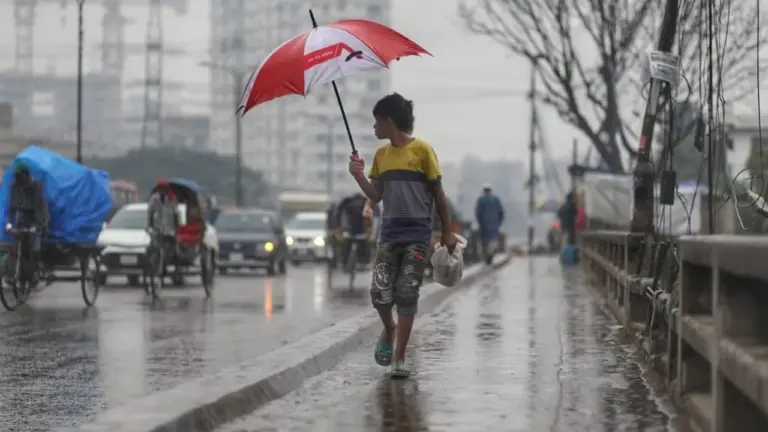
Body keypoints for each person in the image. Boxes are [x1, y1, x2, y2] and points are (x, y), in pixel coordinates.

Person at [348, 92, 456, 378]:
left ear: (389, 121)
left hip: (418, 236)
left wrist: (447, 231)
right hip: (390, 235)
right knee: (379, 292)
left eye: (377, 122)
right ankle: (389, 328)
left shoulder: (423, 151)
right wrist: (358, 176)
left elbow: (438, 194)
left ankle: (399, 357)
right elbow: (376, 196)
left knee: (406, 293)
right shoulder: (381, 156)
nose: (374, 127)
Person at [5, 161, 49, 283]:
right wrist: (9, 224)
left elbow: (41, 209)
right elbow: (11, 208)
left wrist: (38, 225)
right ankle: (12, 272)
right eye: (16, 176)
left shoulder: (36, 187)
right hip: (21, 219)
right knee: (14, 246)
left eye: (19, 176)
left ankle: (35, 269)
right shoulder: (14, 187)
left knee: (33, 244)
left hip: (36, 218)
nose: (17, 179)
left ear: (26, 175)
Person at [147, 179, 179, 256]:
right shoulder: (154, 198)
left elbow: (176, 214)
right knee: (154, 247)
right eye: (159, 189)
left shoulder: (172, 198)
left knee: (172, 248)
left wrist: (176, 228)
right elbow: (150, 212)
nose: (161, 191)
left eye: (163, 189)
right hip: (158, 227)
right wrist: (150, 225)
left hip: (170, 229)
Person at [336, 192, 369, 268]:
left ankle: (344, 262)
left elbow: (340, 215)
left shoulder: (347, 202)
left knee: (346, 247)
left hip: (349, 230)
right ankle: (363, 261)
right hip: (360, 231)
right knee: (363, 246)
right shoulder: (366, 202)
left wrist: (339, 227)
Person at [474, 183, 504, 264]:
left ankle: (487, 257)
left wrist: (480, 222)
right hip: (494, 225)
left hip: (484, 226)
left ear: (484, 191)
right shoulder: (496, 200)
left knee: (484, 242)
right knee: (493, 241)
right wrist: (498, 222)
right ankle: (490, 255)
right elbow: (501, 212)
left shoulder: (481, 200)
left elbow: (478, 213)